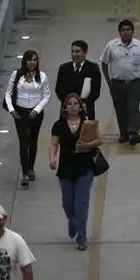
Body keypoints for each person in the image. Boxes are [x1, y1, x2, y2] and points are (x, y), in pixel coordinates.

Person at [49, 93, 102, 250]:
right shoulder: (58, 125)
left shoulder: (88, 124)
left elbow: (99, 140)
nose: (73, 106)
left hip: (84, 167)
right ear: (65, 107)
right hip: (66, 168)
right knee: (67, 203)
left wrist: (87, 145)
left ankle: (82, 237)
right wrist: (52, 159)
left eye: (75, 103)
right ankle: (72, 221)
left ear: (81, 107)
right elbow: (54, 144)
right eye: (70, 103)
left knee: (81, 204)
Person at [99, 19, 140, 146]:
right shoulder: (111, 46)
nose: (126, 32)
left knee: (133, 107)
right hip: (117, 84)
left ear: (132, 31)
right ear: (119, 32)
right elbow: (103, 62)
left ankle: (133, 133)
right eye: (123, 30)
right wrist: (108, 80)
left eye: (128, 30)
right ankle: (124, 134)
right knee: (120, 110)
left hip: (134, 84)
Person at [4, 50, 52, 188]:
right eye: (30, 60)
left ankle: (31, 167)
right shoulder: (17, 74)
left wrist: (37, 110)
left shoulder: (42, 76)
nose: (33, 62)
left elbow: (47, 95)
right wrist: (11, 110)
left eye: (35, 60)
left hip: (36, 113)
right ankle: (25, 173)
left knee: (33, 140)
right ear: (25, 61)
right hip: (20, 112)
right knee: (23, 141)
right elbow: (8, 93)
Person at [55, 40, 102, 119]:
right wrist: (69, 103)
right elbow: (59, 89)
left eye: (77, 51)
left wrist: (84, 103)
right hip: (68, 110)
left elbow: (95, 91)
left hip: (86, 109)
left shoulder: (93, 68)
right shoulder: (64, 68)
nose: (74, 54)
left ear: (85, 52)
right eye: (72, 51)